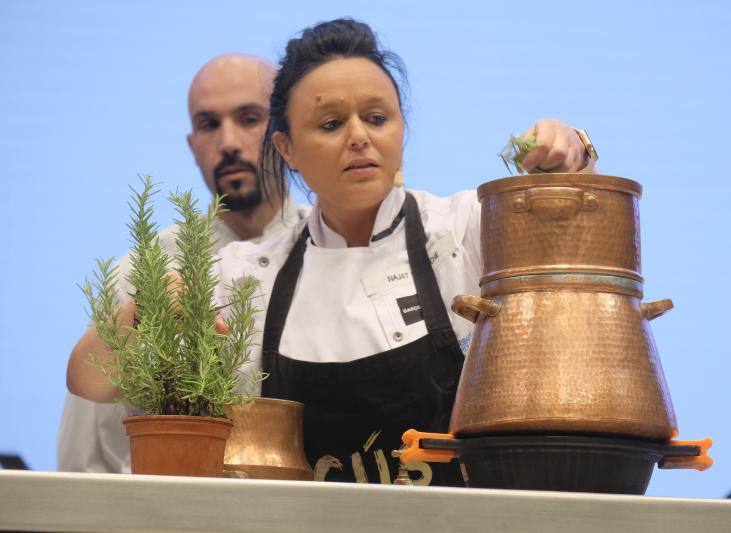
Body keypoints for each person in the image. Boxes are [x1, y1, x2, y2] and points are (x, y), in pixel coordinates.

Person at [67, 19, 595, 485]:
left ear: (402, 129)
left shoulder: (465, 229)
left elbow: (581, 233)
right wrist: (148, 310)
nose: (359, 136)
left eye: (377, 117)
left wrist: (574, 154)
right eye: (331, 124)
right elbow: (88, 378)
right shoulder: (249, 275)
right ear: (286, 149)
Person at [58, 53, 310, 473]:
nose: (228, 142)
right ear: (193, 146)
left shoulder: (326, 250)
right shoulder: (144, 273)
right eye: (209, 124)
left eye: (249, 118)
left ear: (286, 134)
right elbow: (85, 457)